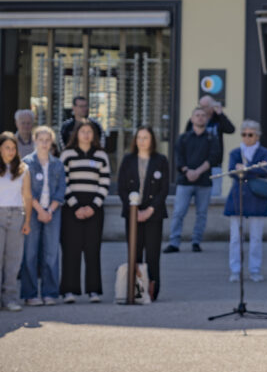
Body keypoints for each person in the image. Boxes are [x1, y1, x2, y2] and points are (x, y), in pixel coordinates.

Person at [60, 122, 111, 303]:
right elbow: (62, 183)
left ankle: (93, 291)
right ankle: (69, 291)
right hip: (71, 209)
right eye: (83, 131)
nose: (86, 135)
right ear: (76, 134)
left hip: (94, 209)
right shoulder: (67, 154)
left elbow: (105, 183)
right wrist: (75, 206)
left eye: (90, 132)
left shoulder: (101, 155)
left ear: (94, 135)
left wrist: (93, 207)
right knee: (71, 250)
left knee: (92, 250)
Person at [117, 127, 170, 302]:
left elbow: (164, 189)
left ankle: (152, 290)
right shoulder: (128, 160)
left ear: (152, 140)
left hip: (153, 214)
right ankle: (135, 289)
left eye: (146, 137)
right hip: (132, 213)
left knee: (153, 254)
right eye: (139, 137)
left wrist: (150, 210)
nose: (142, 141)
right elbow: (121, 188)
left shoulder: (160, 160)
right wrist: (134, 210)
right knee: (135, 252)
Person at [166, 107, 220, 253]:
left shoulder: (212, 138)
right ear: (192, 119)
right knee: (178, 212)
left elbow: (214, 158)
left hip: (204, 183)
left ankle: (196, 242)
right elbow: (178, 158)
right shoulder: (183, 138)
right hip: (185, 181)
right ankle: (174, 242)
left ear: (207, 119)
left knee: (201, 214)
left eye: (203, 115)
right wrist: (187, 171)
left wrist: (198, 171)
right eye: (197, 115)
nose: (200, 118)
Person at [21, 126, 65, 307]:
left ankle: (50, 293)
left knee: (51, 254)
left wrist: (50, 211)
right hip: (33, 212)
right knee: (30, 253)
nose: (44, 143)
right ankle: (30, 294)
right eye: (41, 140)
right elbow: (27, 191)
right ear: (35, 141)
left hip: (53, 213)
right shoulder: (26, 163)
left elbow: (61, 190)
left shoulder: (58, 164)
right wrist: (39, 210)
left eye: (48, 140)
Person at [223, 120, 267, 283]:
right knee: (236, 237)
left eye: (250, 134)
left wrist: (245, 169)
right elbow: (231, 171)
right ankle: (235, 270)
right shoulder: (235, 152)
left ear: (257, 136)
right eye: (244, 134)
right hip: (239, 197)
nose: (247, 138)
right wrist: (255, 168)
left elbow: (266, 171)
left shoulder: (264, 152)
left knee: (256, 237)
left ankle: (255, 269)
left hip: (257, 198)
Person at [0, 133, 32, 312]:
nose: (11, 151)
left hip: (17, 216)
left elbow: (27, 196)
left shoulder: (23, 169)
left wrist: (27, 220)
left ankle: (10, 298)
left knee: (13, 260)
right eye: (7, 147)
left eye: (13, 148)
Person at [196, 96, 235, 197]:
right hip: (197, 165)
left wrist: (220, 114)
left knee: (215, 195)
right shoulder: (196, 120)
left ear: (212, 106)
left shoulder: (218, 120)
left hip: (215, 165)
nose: (203, 109)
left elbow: (230, 129)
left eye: (205, 106)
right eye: (201, 106)